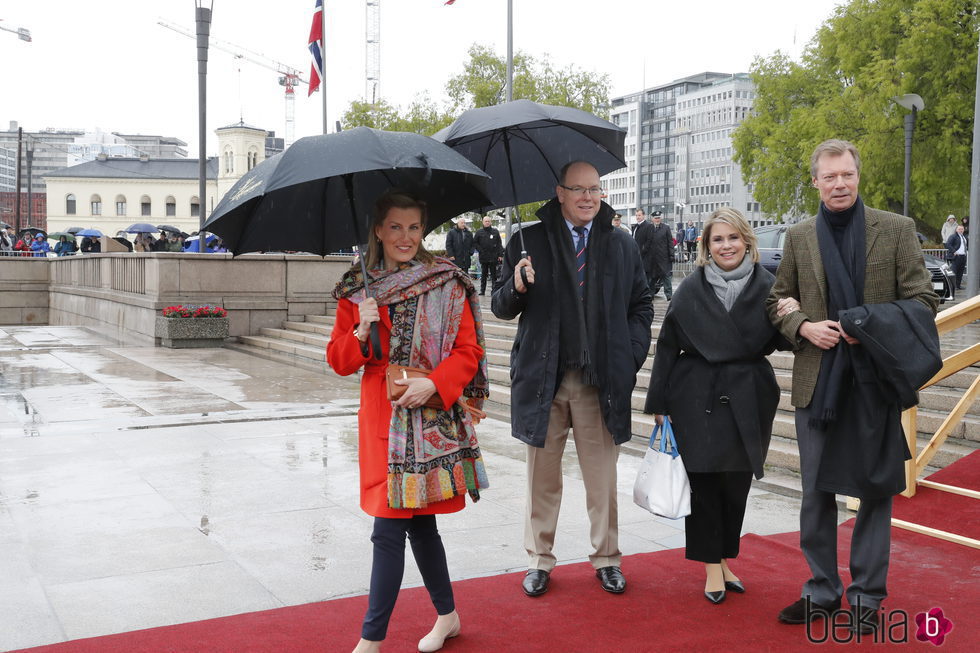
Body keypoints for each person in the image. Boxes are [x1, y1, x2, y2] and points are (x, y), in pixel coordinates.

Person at [767, 139, 938, 634]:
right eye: (830, 176)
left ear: (857, 176)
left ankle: (867, 596)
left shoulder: (897, 229)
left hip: (874, 382)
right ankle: (821, 591)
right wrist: (803, 326)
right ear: (816, 181)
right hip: (818, 382)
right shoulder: (800, 236)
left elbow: (923, 301)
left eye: (847, 175)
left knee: (875, 491)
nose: (840, 184)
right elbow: (777, 299)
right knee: (815, 493)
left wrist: (864, 324)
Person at [327, 191, 490, 653]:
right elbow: (338, 361)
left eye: (414, 227)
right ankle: (448, 617)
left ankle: (370, 640)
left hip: (430, 414)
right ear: (378, 230)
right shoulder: (357, 290)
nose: (405, 237)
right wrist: (361, 330)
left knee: (406, 526)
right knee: (401, 525)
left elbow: (468, 351)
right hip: (382, 418)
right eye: (395, 227)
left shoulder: (446, 281)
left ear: (424, 231)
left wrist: (434, 384)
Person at [491, 160, 653, 597]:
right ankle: (539, 561)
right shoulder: (529, 241)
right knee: (541, 480)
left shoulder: (620, 245)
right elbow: (500, 306)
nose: (588, 197)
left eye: (594, 189)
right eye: (578, 189)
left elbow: (641, 305)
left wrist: (629, 356)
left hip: (599, 382)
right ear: (559, 193)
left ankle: (607, 559)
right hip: (544, 378)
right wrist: (517, 286)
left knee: (602, 480)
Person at [645, 207, 792, 605]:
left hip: (748, 394)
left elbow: (789, 339)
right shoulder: (691, 288)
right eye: (717, 239)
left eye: (732, 238)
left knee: (736, 485)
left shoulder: (769, 287)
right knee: (705, 484)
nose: (725, 246)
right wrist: (658, 401)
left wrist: (796, 313)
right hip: (696, 394)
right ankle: (712, 567)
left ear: (746, 241)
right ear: (706, 247)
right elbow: (667, 346)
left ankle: (725, 559)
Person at [635, 210, 674, 300]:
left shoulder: (666, 228)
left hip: (664, 257)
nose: (657, 219)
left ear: (661, 218)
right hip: (652, 258)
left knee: (666, 277)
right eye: (655, 218)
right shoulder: (649, 228)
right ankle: (650, 294)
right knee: (652, 278)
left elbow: (670, 242)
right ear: (652, 219)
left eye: (658, 218)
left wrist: (671, 254)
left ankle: (669, 295)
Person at [472, 215, 503, 295]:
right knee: (484, 274)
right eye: (486, 221)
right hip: (484, 257)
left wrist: (500, 255)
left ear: (491, 222)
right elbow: (475, 242)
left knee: (494, 275)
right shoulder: (479, 232)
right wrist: (480, 250)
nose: (487, 222)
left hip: (493, 256)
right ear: (483, 222)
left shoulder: (495, 231)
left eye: (488, 221)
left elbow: (499, 243)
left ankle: (494, 290)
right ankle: (482, 291)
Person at [945, 224, 968, 290]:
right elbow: (948, 244)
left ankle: (958, 286)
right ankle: (952, 286)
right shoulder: (953, 236)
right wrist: (954, 251)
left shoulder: (964, 237)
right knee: (954, 272)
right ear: (956, 230)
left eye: (962, 229)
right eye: (959, 229)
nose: (961, 230)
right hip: (956, 257)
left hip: (963, 256)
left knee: (960, 272)